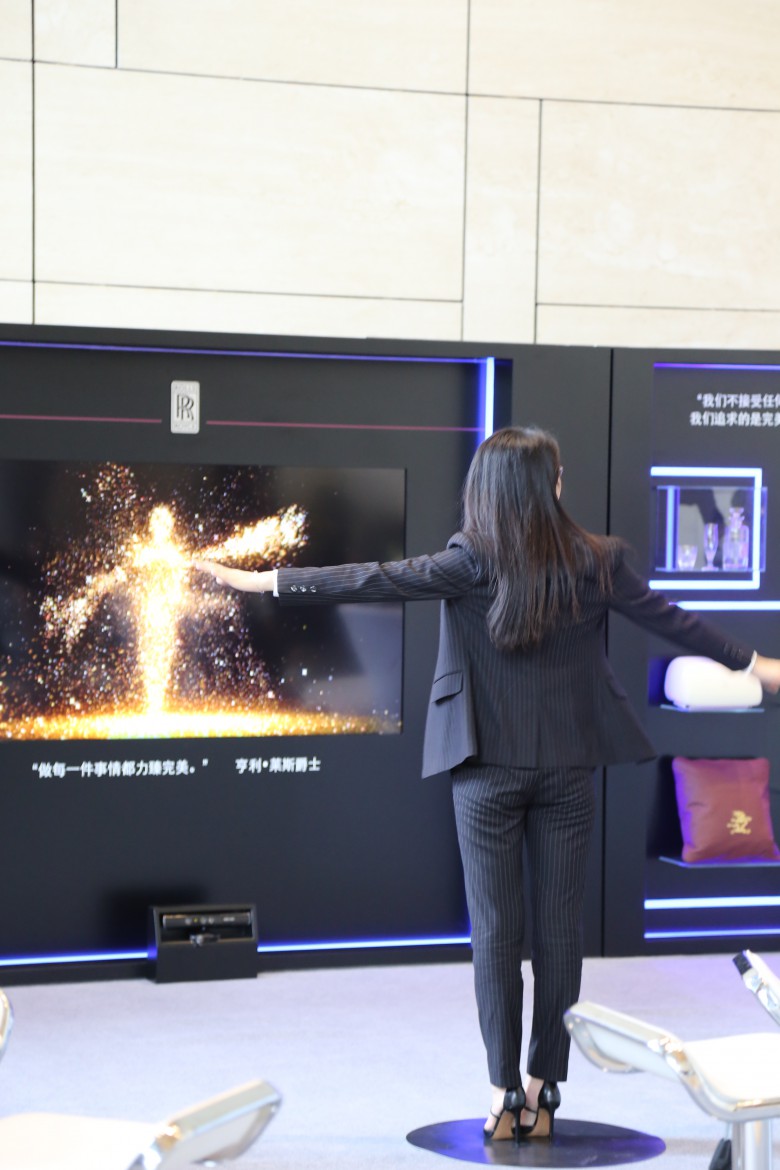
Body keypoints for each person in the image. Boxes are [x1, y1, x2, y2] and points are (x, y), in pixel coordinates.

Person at [194, 426, 780, 1144]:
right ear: (549, 486)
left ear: (487, 490)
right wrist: (756, 664)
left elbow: (374, 578)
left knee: (497, 934)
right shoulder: (600, 560)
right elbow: (676, 624)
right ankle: (544, 1089)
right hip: (568, 771)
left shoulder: (469, 560)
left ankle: (503, 1093)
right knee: (560, 932)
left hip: (484, 772)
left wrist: (263, 581)